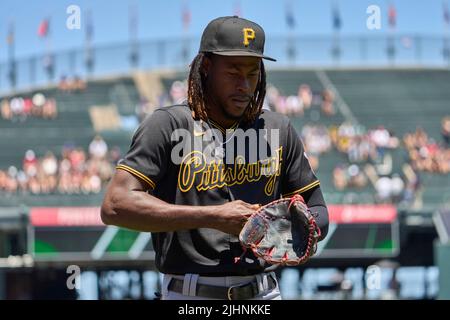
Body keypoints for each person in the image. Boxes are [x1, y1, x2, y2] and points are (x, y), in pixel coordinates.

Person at [101, 16, 329, 300]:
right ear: (206, 67)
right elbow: (115, 205)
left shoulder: (277, 129)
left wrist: (290, 227)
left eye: (252, 73)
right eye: (234, 72)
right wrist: (212, 217)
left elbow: (318, 210)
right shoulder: (169, 125)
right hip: (190, 295)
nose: (245, 85)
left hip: (263, 294)